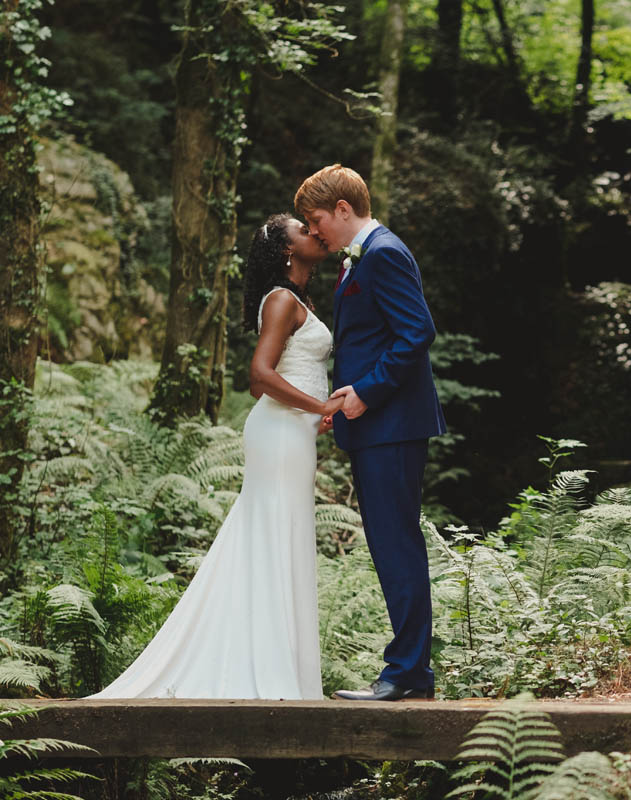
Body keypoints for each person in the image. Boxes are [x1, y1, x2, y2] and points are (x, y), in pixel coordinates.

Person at [88, 214, 341, 700]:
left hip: (293, 434)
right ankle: (270, 680)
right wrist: (321, 405)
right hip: (280, 434)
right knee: (274, 539)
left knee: (278, 541)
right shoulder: (284, 300)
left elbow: (298, 369)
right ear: (288, 251)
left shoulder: (299, 299)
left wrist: (318, 408)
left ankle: (281, 672)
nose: (314, 233)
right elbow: (260, 376)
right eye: (303, 231)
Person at [295, 164, 446, 701]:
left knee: (395, 544)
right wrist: (346, 394)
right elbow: (375, 338)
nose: (314, 233)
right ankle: (410, 673)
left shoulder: (381, 252)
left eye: (316, 221)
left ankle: (406, 675)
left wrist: (366, 392)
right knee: (390, 545)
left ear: (342, 209)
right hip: (379, 423)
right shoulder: (364, 255)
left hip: (392, 423)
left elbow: (416, 333)